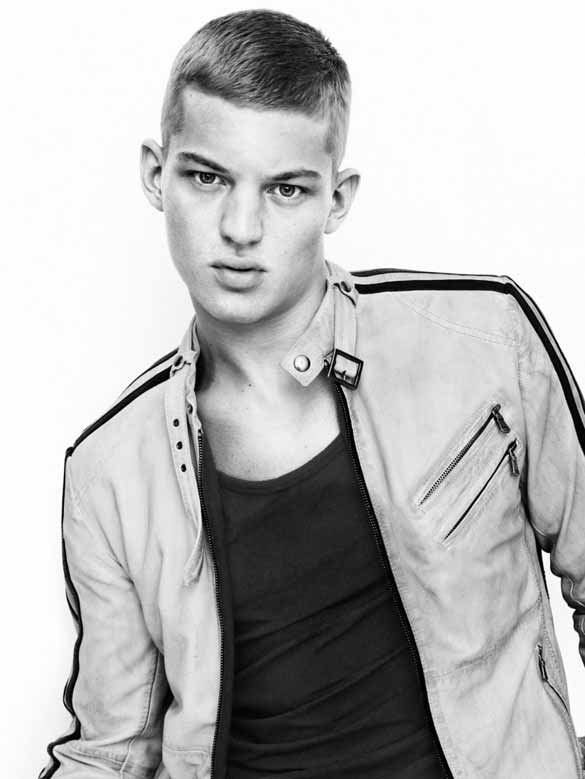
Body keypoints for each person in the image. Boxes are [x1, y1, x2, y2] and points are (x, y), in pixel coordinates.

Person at [39, 9, 585, 779]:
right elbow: (112, 753)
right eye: (207, 177)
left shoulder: (481, 339)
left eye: (286, 189)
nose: (240, 227)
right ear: (156, 176)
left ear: (337, 198)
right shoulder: (109, 470)